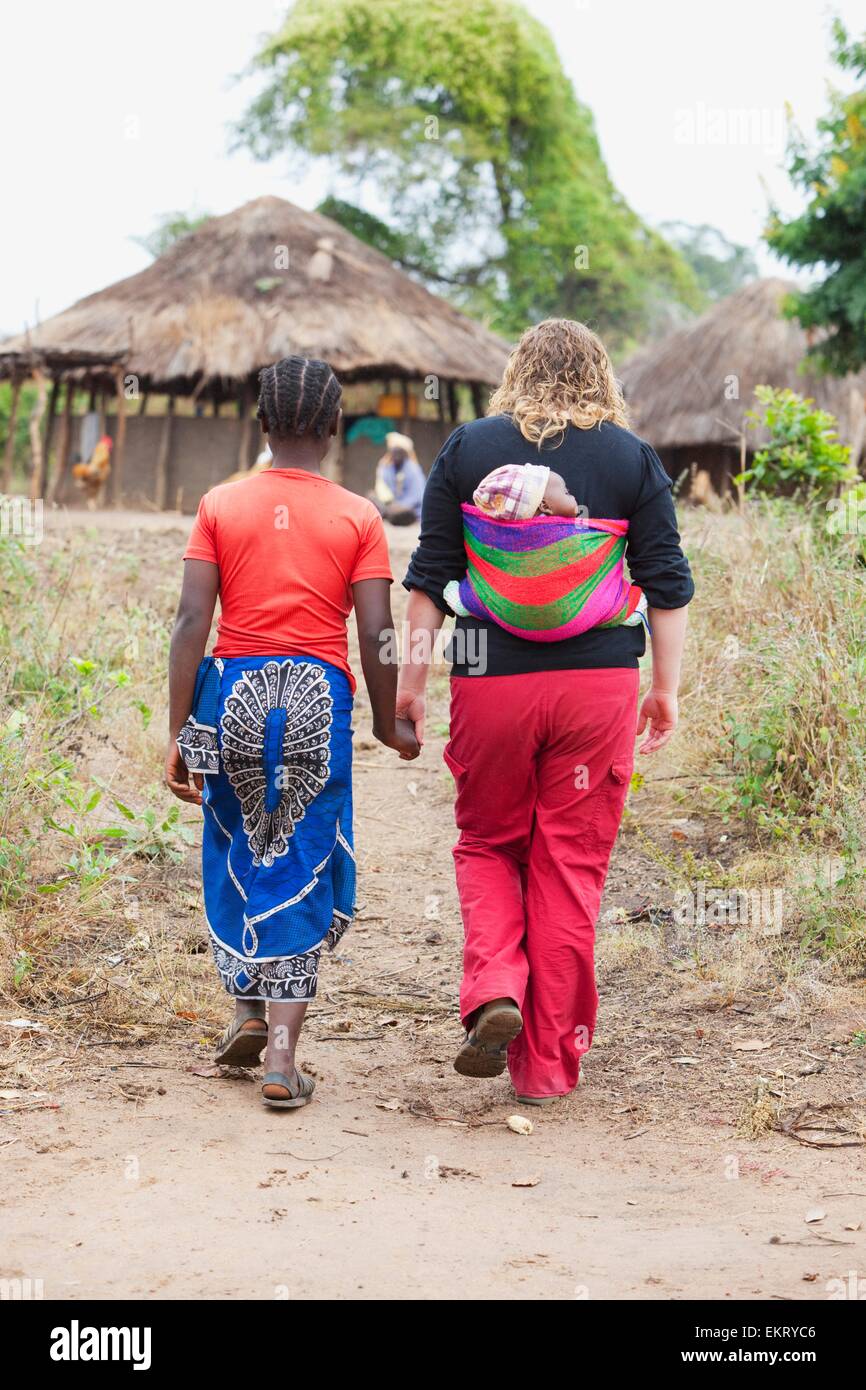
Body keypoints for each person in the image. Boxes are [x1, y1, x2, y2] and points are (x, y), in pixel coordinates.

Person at [397, 319, 694, 1105]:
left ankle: (496, 986)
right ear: (602, 375)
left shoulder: (468, 447)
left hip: (485, 669)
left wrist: (410, 689)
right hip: (597, 682)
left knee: (488, 842)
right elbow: (665, 582)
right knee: (570, 865)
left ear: (516, 372)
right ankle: (546, 1070)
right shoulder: (632, 459)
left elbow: (429, 579)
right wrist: (664, 689)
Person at [165, 355, 418, 1110]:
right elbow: (375, 631)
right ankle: (279, 1058)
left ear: (262, 424)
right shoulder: (357, 516)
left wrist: (178, 731)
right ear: (335, 426)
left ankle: (244, 1008)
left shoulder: (220, 504)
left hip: (229, 697)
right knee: (301, 859)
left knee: (234, 845)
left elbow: (189, 623)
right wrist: (383, 719)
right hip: (316, 702)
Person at [442, 462, 648, 633]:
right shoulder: (570, 531)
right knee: (606, 603)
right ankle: (625, 609)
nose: (573, 497)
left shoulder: (495, 532)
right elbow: (585, 558)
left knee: (480, 597)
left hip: (505, 610)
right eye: (567, 492)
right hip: (575, 616)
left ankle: (465, 599)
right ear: (545, 506)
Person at [371, 432, 426, 524]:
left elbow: (418, 497)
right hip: (393, 505)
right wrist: (381, 467)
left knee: (398, 512)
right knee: (371, 497)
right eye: (393, 451)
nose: (396, 455)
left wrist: (399, 505)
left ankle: (391, 515)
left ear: (405, 453)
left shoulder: (413, 469)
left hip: (410, 509)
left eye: (399, 451)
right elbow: (384, 491)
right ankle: (389, 514)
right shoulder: (389, 468)